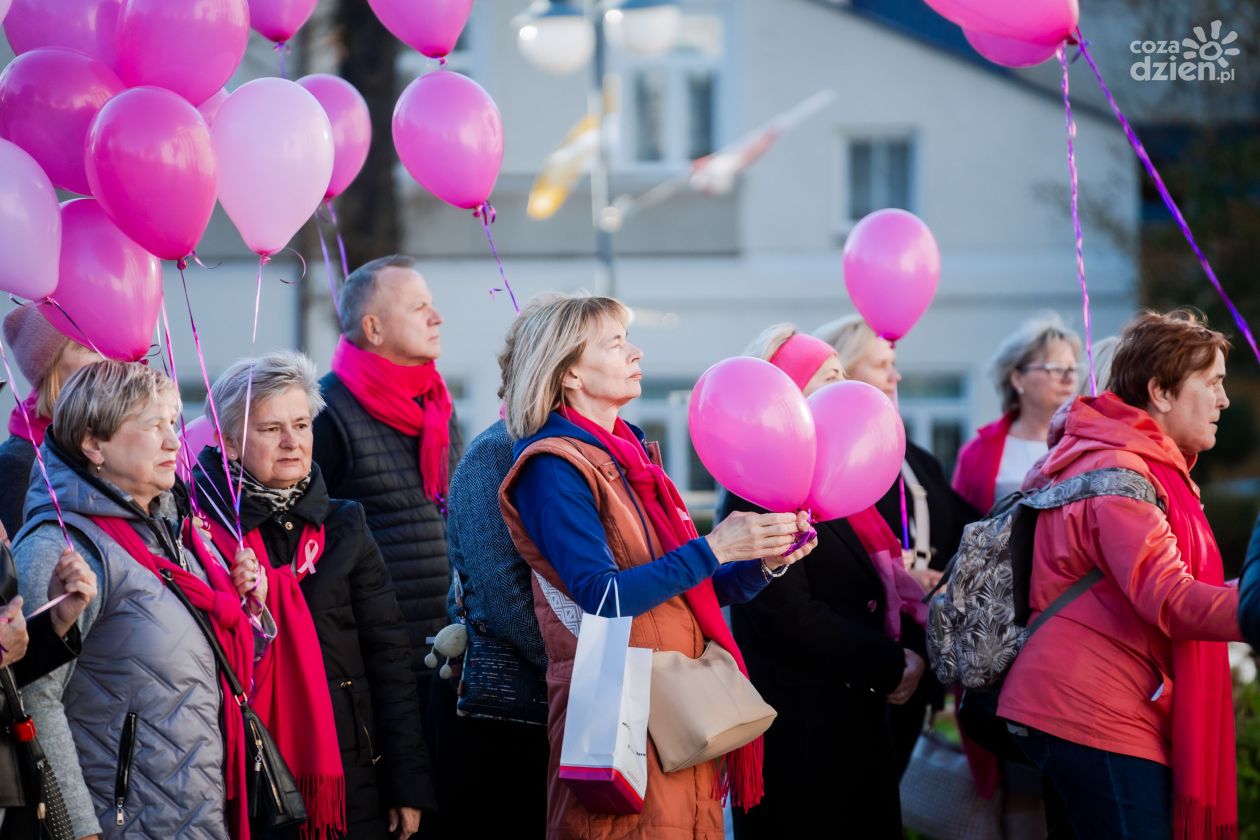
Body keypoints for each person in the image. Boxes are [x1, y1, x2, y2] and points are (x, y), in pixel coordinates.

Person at [498, 294, 816, 839]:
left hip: (676, 707)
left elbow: (688, 592)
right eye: (616, 343)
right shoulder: (552, 467)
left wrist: (759, 561)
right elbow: (603, 597)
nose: (636, 353)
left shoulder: (632, 460)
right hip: (623, 713)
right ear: (570, 371)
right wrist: (715, 547)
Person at [999, 310, 1241, 839]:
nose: (1224, 401)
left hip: (1083, 704)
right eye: (1213, 383)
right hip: (1091, 710)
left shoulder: (1118, 459)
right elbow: (1173, 599)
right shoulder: (1118, 473)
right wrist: (1250, 606)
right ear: (1160, 390)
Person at [14, 361, 266, 839]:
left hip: (199, 814)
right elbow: (32, 699)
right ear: (94, 443)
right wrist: (78, 829)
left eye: (172, 422)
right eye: (154, 426)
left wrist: (248, 607)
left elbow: (211, 674)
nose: (174, 441)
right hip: (122, 823)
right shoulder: (59, 545)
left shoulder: (178, 533)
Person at [194, 351, 428, 839]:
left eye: (301, 425)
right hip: (242, 774)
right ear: (229, 443)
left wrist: (406, 784)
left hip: (350, 772)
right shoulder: (200, 531)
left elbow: (389, 657)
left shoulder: (345, 525)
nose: (292, 442)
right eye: (270, 428)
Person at [720, 324, 926, 839]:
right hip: (802, 733)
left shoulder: (831, 477)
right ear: (788, 392)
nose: (845, 387)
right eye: (829, 377)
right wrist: (888, 662)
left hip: (850, 719)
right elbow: (789, 614)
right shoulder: (761, 485)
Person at [312, 256, 462, 820]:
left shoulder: (437, 409)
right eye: (419, 307)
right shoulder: (325, 414)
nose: (437, 317)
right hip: (380, 667)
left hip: (446, 657)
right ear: (372, 328)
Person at [428, 300, 551, 837]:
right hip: (507, 718)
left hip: (558, 708)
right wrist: (583, 665)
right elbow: (503, 597)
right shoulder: (494, 456)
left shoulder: (572, 452)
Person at [815, 315, 979, 586]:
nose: (896, 376)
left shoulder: (917, 459)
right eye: (881, 365)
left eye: (893, 364)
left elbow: (966, 527)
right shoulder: (824, 465)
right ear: (843, 374)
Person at [953, 314, 1082, 513]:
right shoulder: (977, 453)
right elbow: (959, 527)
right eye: (1055, 369)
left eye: (1072, 369)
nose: (1068, 379)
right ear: (1017, 379)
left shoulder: (1084, 444)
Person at [0, 306, 101, 536]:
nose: (103, 357)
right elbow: (21, 564)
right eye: (85, 347)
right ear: (52, 368)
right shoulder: (16, 463)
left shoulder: (104, 444)